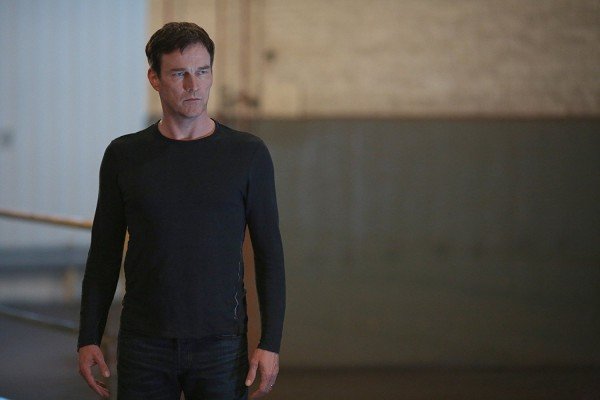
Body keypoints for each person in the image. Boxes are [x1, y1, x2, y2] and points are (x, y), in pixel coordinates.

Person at [77, 22, 285, 400]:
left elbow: (269, 254)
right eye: (179, 74)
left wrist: (270, 342)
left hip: (221, 342)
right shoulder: (125, 155)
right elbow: (103, 252)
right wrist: (88, 335)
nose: (193, 85)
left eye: (202, 71)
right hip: (144, 341)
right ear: (154, 79)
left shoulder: (247, 154)